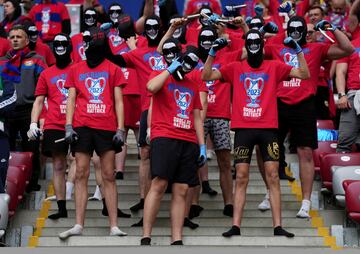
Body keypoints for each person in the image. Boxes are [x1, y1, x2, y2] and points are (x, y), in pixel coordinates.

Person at [201, 29, 310, 238]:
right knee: (241, 177)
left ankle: (278, 226)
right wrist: (212, 53)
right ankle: (236, 226)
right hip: (243, 129)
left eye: (256, 41)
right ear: (245, 45)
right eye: (249, 41)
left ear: (261, 44)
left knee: (273, 176)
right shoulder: (235, 67)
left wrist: (298, 51)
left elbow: (304, 74)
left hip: (268, 129)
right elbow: (206, 76)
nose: (253, 45)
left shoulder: (274, 66)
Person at [262, 16, 354, 217]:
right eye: (291, 29)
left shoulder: (316, 48)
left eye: (299, 29)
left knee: (305, 153)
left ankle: (305, 201)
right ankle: (270, 194)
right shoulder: (277, 48)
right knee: (271, 152)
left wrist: (332, 28)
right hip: (278, 103)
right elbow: (251, 51)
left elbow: (348, 49)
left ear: (306, 32)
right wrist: (268, 32)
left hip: (304, 104)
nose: (295, 32)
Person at [58, 27, 128, 239]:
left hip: (106, 126)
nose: (87, 46)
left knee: (108, 175)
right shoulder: (76, 69)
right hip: (82, 125)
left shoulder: (113, 68)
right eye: (86, 42)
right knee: (80, 172)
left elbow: (118, 100)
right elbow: (70, 99)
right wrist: (68, 126)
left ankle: (114, 225)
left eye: (91, 42)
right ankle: (78, 224)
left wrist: (121, 128)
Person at [141, 47, 205, 246]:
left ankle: (176, 237)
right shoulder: (161, 75)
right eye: (185, 62)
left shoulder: (193, 84)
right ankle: (146, 234)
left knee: (182, 189)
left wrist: (202, 145)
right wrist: (170, 69)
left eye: (191, 65)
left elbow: (196, 117)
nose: (187, 67)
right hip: (165, 136)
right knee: (159, 183)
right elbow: (151, 88)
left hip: (188, 140)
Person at [27, 33, 73, 219]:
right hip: (54, 123)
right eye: (57, 43)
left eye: (63, 43)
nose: (60, 46)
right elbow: (38, 101)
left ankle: (94, 204)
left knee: (82, 163)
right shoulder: (46, 73)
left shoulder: (78, 69)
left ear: (69, 46)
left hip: (79, 121)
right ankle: (62, 208)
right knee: (59, 165)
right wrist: (33, 122)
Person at [0, 25, 47, 192]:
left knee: (31, 148)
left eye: (19, 37)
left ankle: (32, 183)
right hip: (6, 113)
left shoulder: (37, 59)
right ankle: (9, 183)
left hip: (29, 111)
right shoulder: (1, 62)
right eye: (12, 37)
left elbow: (45, 86)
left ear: (27, 40)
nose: (14, 39)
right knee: (7, 150)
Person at [335, 37, 360, 152]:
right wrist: (341, 94)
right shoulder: (350, 45)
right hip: (353, 95)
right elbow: (340, 71)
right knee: (344, 142)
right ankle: (341, 168)